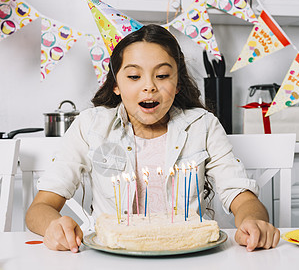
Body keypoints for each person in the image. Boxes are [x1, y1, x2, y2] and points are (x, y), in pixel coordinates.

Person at [26, 24, 280, 253]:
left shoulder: (203, 126)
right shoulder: (90, 126)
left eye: (162, 75)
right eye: (134, 76)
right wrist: (54, 226)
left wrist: (253, 221)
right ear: (116, 84)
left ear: (178, 82)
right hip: (109, 257)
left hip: (189, 256)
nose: (149, 86)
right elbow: (40, 208)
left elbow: (242, 196)